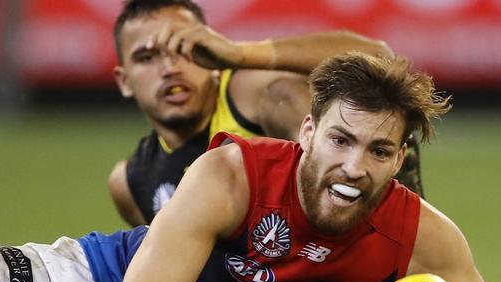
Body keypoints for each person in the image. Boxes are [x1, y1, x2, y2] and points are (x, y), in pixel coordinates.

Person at [0, 53, 501, 282]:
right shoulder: (231, 177)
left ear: (399, 158)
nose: (355, 166)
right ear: (307, 131)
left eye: (378, 150)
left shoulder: (422, 239)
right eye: (340, 140)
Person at [108, 0, 425, 228]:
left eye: (183, 48)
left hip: (348, 277)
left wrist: (241, 54)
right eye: (147, 57)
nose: (169, 68)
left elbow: (380, 59)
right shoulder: (131, 183)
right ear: (124, 81)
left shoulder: (250, 95)